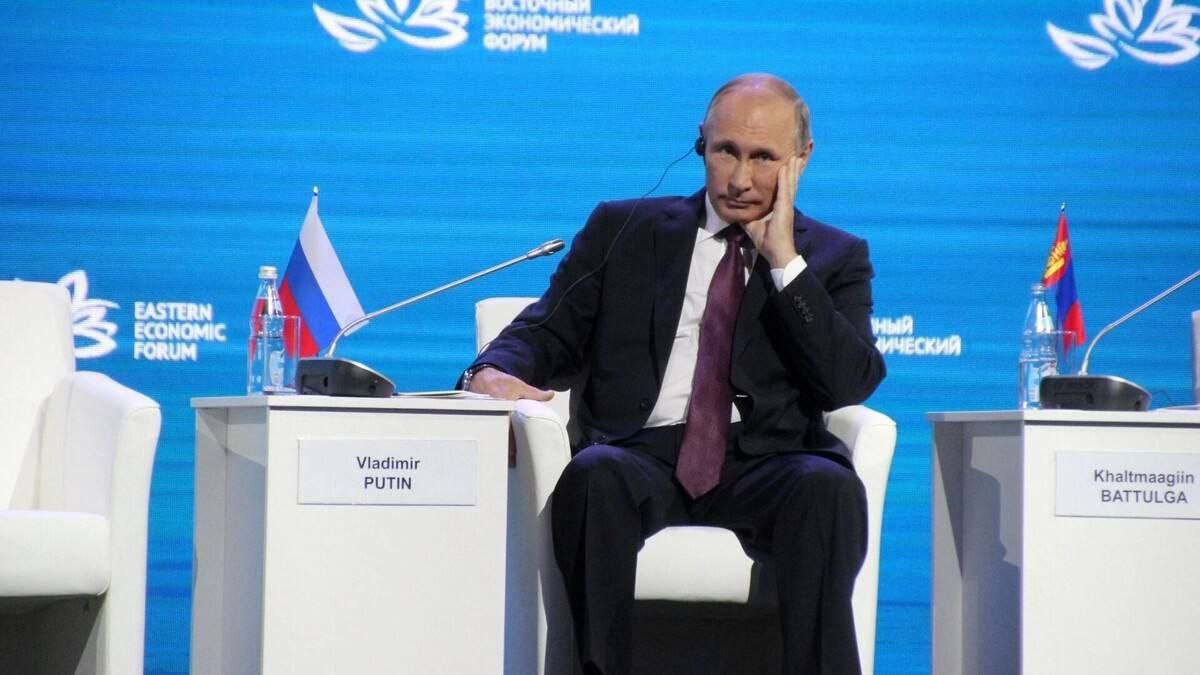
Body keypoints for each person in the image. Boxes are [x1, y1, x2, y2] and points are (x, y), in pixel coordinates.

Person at [461, 73, 885, 675]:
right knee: (593, 476)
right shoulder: (623, 230)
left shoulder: (836, 257)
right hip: (641, 454)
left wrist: (785, 264)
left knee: (828, 488)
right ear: (700, 143)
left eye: (764, 158)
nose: (740, 179)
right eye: (726, 151)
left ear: (801, 159)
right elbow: (546, 331)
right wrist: (490, 371)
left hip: (770, 462)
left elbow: (850, 383)